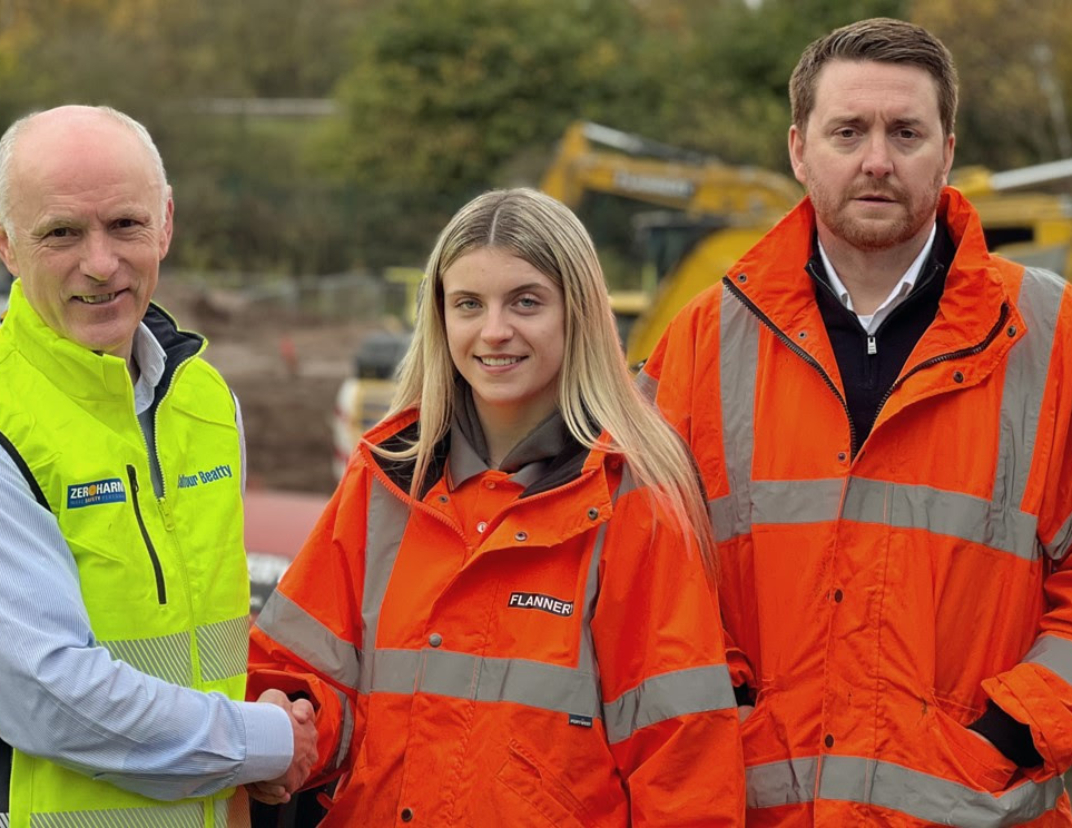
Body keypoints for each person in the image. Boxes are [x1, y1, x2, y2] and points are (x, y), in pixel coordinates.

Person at [640, 16, 1072, 827]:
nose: (878, 159)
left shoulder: (1054, 336)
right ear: (801, 149)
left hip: (975, 807)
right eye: (850, 131)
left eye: (906, 131)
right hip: (759, 805)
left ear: (946, 150)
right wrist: (726, 704)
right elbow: (649, 572)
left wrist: (1012, 728)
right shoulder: (703, 339)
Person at [247, 187, 745, 826]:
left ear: (579, 314)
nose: (494, 331)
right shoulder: (386, 482)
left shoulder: (634, 502)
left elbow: (685, 765)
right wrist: (293, 726)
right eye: (469, 305)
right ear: (440, 317)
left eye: (526, 302)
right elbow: (298, 673)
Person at [0, 105, 317, 826]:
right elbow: (50, 699)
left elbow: (208, 643)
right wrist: (264, 742)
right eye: (61, 233)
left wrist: (259, 742)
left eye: (125, 225)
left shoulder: (205, 402)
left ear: (167, 224)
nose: (101, 263)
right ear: (4, 241)